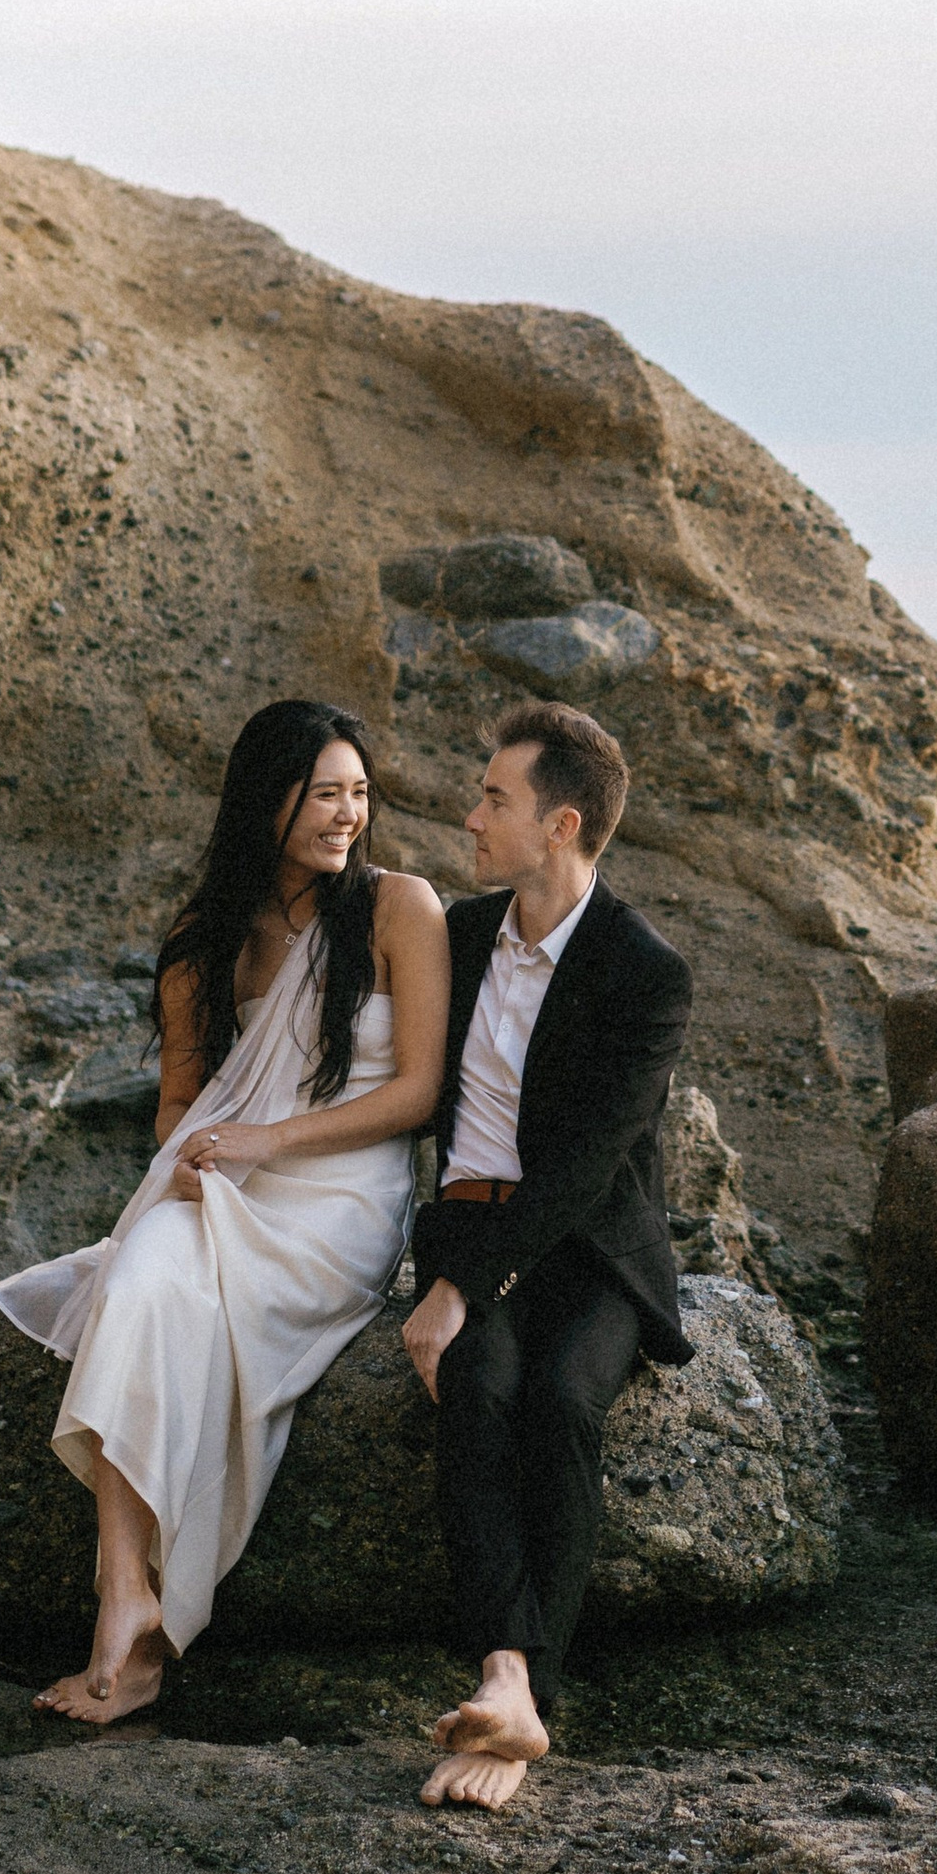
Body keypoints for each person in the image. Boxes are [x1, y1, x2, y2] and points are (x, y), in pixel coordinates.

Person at [0, 700, 450, 1729]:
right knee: (140, 1275)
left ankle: (143, 1618)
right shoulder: (204, 940)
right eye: (325, 792)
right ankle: (128, 1597)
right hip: (225, 1183)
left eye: (359, 793)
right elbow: (180, 1104)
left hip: (341, 1199)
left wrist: (267, 1142)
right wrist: (193, 1162)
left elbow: (419, 1093)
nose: (347, 814)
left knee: (155, 1283)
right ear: (265, 799)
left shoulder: (398, 908)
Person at [401, 698, 693, 1812]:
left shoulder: (643, 970)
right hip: (473, 1219)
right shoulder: (458, 936)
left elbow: (580, 1170)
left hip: (590, 1244)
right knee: (476, 1383)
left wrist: (452, 1294)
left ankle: (531, 1696)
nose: (470, 814)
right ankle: (506, 1680)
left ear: (560, 824)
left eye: (494, 798)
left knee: (564, 1398)